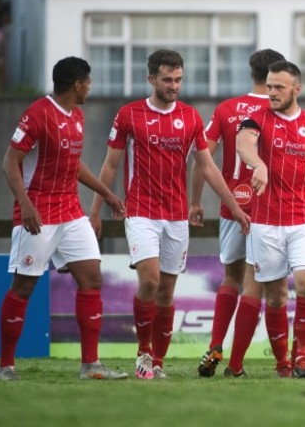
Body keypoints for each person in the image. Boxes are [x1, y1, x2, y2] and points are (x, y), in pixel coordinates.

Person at [89, 49, 250, 380]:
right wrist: (96, 210)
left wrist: (233, 206)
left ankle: (158, 361)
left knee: (166, 292)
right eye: (167, 79)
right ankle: (143, 355)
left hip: (176, 217)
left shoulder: (190, 117)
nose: (173, 85)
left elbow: (206, 165)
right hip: (141, 213)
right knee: (149, 280)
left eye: (178, 79)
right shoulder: (128, 115)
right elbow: (110, 164)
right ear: (151, 79)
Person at [0, 56, 128, 381]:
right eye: (88, 82)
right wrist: (25, 205)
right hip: (38, 212)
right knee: (24, 286)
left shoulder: (78, 116)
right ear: (78, 84)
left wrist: (107, 193)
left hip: (70, 211)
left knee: (92, 278)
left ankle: (90, 365)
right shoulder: (37, 115)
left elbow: (74, 164)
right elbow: (9, 162)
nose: (90, 87)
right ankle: (6, 367)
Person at [236, 60, 305, 378]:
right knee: (275, 297)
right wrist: (258, 164)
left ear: (296, 89)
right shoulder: (256, 119)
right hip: (266, 222)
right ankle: (282, 363)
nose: (271, 92)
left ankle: (302, 359)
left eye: (279, 87)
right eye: (269, 86)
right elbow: (243, 144)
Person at [190, 48, 285, 378]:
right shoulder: (277, 108)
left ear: (250, 72)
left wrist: (195, 202)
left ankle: (215, 344)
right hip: (267, 209)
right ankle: (236, 364)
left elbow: (202, 158)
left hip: (232, 206)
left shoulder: (226, 109)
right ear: (275, 76)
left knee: (230, 279)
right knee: (256, 286)